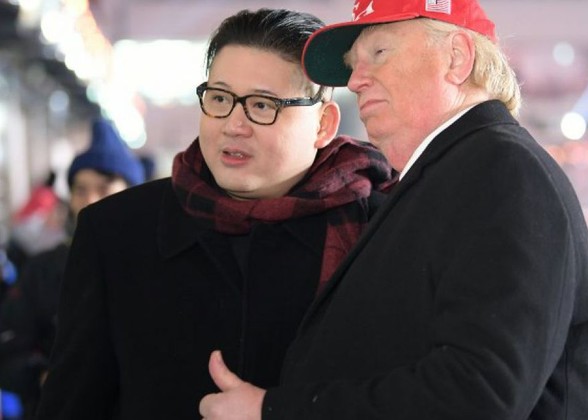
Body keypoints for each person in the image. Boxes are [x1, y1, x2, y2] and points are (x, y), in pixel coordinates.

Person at [198, 1, 588, 419]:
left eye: (379, 52)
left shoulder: (501, 170)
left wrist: (272, 411)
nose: (355, 81)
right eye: (352, 65)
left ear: (457, 58)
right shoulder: (452, 176)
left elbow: (480, 393)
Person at [34, 8, 395, 420]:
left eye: (263, 105)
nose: (233, 125)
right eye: (220, 99)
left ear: (323, 124)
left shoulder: (378, 233)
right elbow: (71, 403)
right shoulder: (116, 232)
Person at [0, 117, 145, 419]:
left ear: (132, 192)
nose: (90, 200)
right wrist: (46, 378)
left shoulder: (155, 266)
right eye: (80, 190)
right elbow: (9, 352)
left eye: (104, 188)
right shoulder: (44, 269)